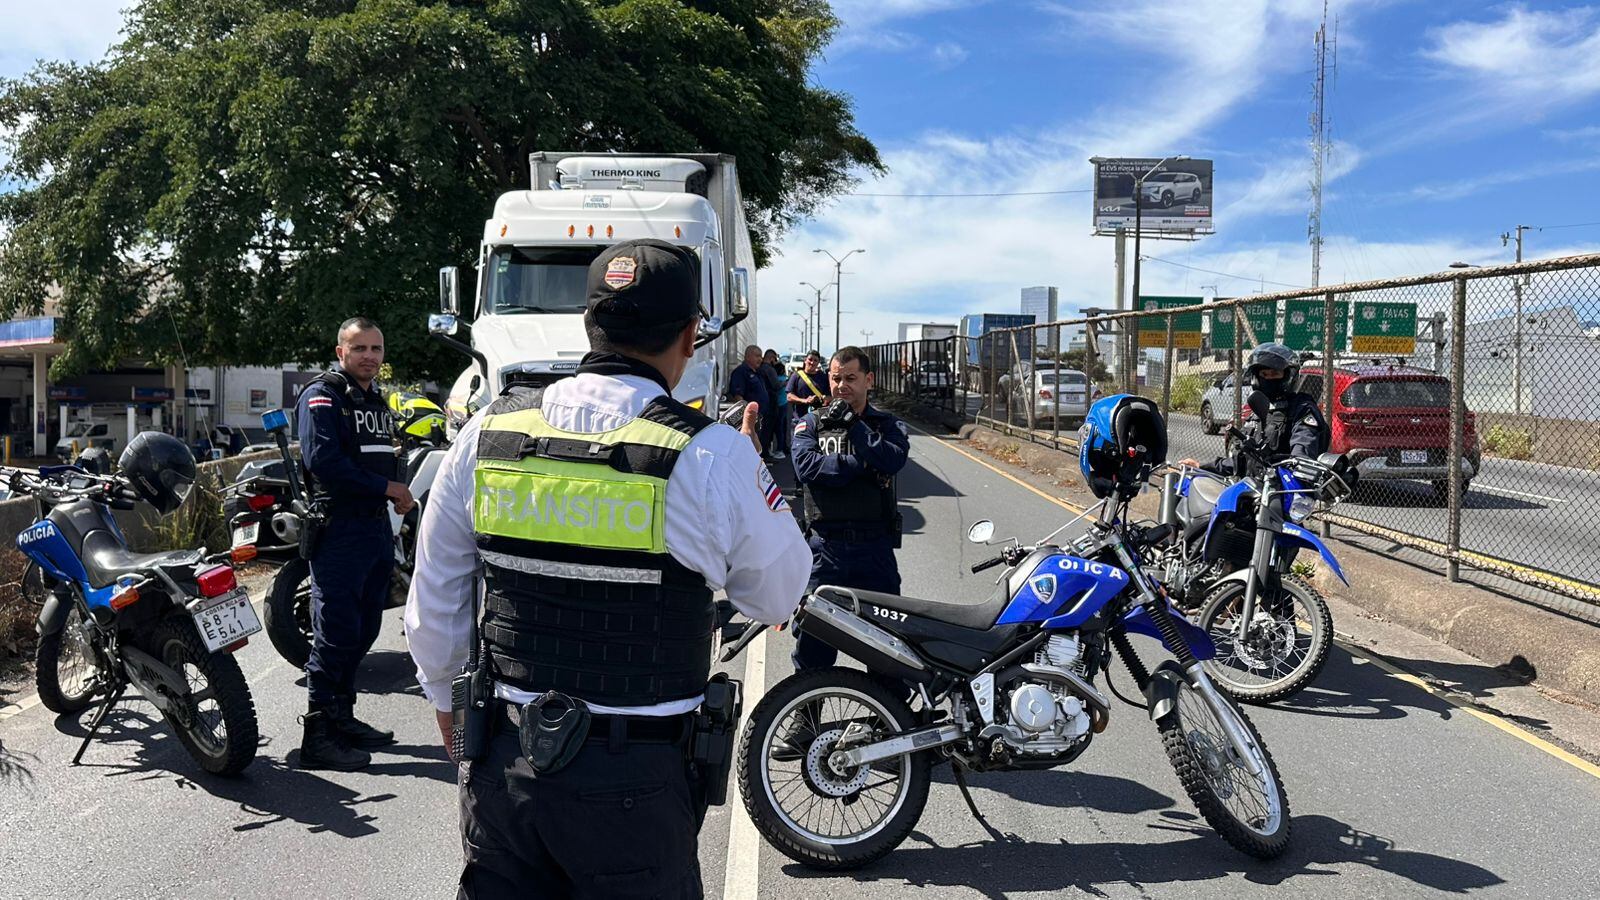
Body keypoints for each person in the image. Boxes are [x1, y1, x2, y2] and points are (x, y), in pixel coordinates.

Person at [405, 238, 809, 899]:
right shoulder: (710, 453)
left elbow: (437, 596)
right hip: (637, 783)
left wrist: (448, 704)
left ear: (590, 323)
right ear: (690, 335)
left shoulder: (486, 432)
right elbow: (779, 594)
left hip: (506, 767)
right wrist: (751, 464)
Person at [295, 317, 415, 771]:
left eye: (376, 348)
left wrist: (396, 490)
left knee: (364, 629)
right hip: (339, 529)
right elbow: (324, 461)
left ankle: (342, 719)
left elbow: (384, 456)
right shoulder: (322, 395)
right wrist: (389, 489)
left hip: (373, 529)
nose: (369, 356)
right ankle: (318, 736)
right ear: (340, 351)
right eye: (359, 347)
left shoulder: (373, 400)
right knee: (336, 633)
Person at [789, 346, 909, 670]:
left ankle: (890, 718)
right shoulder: (811, 424)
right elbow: (805, 468)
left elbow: (893, 459)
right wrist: (861, 465)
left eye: (851, 378)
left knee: (886, 646)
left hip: (874, 550)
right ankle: (806, 717)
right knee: (813, 643)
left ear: (868, 380)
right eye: (836, 378)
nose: (842, 386)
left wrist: (854, 426)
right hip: (825, 549)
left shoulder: (886, 425)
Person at [1181, 342, 1330, 478]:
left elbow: (1303, 449)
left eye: (1275, 374)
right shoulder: (1257, 413)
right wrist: (1202, 467)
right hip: (1251, 494)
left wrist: (1298, 464)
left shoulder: (1302, 409)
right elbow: (1240, 462)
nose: (1269, 379)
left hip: (1282, 496)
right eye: (1264, 374)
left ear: (1288, 376)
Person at [729, 344, 775, 460]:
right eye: (757, 356)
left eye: (761, 356)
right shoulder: (741, 372)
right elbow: (738, 397)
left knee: (758, 446)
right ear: (748, 356)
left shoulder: (757, 372)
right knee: (749, 448)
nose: (760, 359)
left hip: (761, 417)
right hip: (751, 419)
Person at [785, 350, 830, 423]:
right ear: (805, 360)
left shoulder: (823, 377)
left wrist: (825, 399)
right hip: (800, 418)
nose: (812, 362)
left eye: (815, 360)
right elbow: (789, 396)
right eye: (810, 359)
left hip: (819, 418)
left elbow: (830, 396)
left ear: (818, 363)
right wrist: (805, 401)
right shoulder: (796, 376)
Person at [761, 349, 789, 460]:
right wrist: (784, 383)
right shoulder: (769, 369)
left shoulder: (761, 369)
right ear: (771, 357)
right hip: (774, 404)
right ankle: (773, 451)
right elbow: (776, 386)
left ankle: (768, 450)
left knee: (771, 429)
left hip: (768, 403)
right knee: (777, 428)